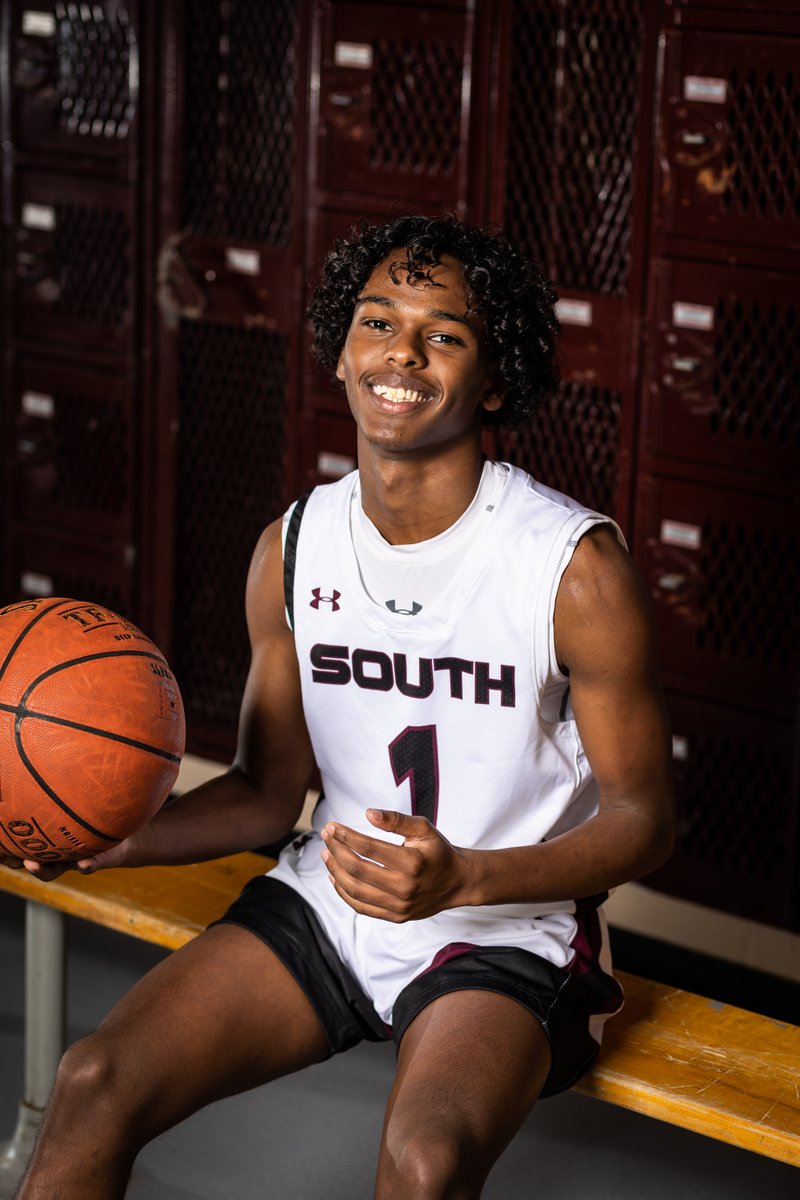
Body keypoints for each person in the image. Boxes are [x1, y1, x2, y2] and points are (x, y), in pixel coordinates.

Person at [6, 214, 674, 1200]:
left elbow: (644, 822)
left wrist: (466, 878)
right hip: (332, 900)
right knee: (94, 1081)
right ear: (340, 349)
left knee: (423, 1160)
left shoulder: (568, 566)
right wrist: (113, 842)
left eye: (441, 334)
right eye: (376, 321)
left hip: (505, 925)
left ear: (492, 381)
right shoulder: (294, 546)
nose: (399, 353)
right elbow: (267, 794)